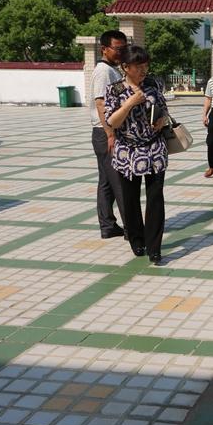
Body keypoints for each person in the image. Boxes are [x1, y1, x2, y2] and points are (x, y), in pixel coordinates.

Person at [104, 45, 169, 264]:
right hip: (128, 152)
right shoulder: (114, 90)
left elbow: (164, 109)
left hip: (154, 149)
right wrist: (129, 103)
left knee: (155, 198)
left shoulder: (152, 85)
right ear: (125, 67)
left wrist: (161, 120)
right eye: (138, 66)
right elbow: (112, 122)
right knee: (130, 199)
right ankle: (137, 240)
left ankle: (155, 246)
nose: (143, 70)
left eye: (145, 66)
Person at [90, 29, 127, 239]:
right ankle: (131, 228)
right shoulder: (104, 72)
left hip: (105, 132)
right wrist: (110, 134)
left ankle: (108, 225)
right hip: (105, 133)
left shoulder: (111, 69)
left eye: (123, 48)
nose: (121, 52)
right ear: (104, 49)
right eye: (117, 49)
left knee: (106, 182)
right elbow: (101, 104)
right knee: (119, 182)